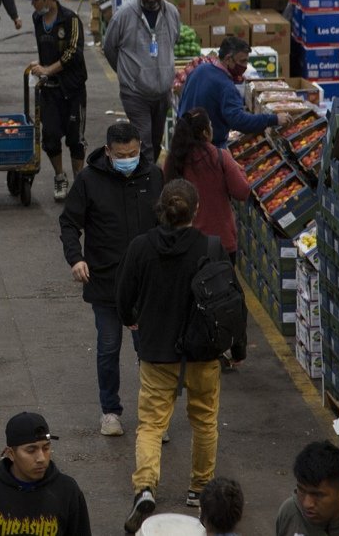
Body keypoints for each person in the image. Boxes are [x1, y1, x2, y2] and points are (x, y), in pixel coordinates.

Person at [117, 179, 245, 532]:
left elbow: (123, 296)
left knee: (151, 424)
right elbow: (232, 302)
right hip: (202, 352)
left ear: (161, 209)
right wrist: (238, 348)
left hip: (157, 352)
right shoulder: (211, 247)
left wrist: (130, 320)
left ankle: (145, 486)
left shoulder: (141, 247)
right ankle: (199, 488)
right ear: (197, 210)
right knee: (204, 421)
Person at [59, 122, 163, 437]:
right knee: (108, 347)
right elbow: (68, 223)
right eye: (121, 154)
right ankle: (110, 411)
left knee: (149, 351)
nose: (128, 158)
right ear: (108, 152)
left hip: (145, 284)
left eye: (133, 153)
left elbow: (167, 222)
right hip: (105, 282)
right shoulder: (89, 181)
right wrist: (76, 258)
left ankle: (154, 415)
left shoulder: (154, 176)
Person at [0, 412, 92, 536]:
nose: (41, 458)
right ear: (11, 454)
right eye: (31, 450)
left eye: (46, 448)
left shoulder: (68, 490)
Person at [102, 0, 181, 163]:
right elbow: (109, 47)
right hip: (135, 93)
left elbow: (173, 41)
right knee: (144, 140)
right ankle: (145, 187)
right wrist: (126, 75)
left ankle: (148, 176)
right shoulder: (124, 15)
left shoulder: (171, 13)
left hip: (162, 93)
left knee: (155, 140)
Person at [25, 0, 87, 202]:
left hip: (72, 89)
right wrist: (40, 66)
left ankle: (79, 181)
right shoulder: (37, 19)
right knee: (50, 136)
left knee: (75, 138)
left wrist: (48, 69)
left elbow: (73, 53)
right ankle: (60, 176)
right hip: (49, 90)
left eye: (36, 0)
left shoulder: (70, 20)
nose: (33, 4)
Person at [162, 108, 250, 263]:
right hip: (220, 242)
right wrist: (239, 169)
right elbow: (242, 192)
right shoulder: (220, 157)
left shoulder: (173, 160)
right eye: (210, 125)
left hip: (182, 240)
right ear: (205, 132)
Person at [177, 36, 290, 147]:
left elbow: (182, 100)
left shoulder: (200, 69)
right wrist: (274, 119)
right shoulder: (226, 86)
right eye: (242, 61)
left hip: (182, 140)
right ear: (228, 59)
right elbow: (240, 121)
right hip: (206, 148)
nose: (245, 66)